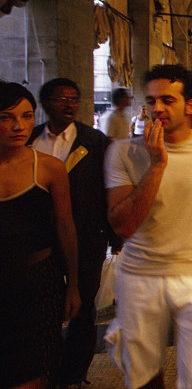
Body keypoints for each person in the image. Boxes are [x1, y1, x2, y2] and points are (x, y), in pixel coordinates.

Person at [104, 64, 192, 389]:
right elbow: (123, 225)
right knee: (141, 376)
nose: (158, 109)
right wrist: (156, 165)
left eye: (167, 100)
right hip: (140, 276)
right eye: (151, 101)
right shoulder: (123, 152)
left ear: (190, 105)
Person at [29, 77, 118, 389]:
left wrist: (114, 236)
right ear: (44, 104)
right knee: (47, 305)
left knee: (82, 306)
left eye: (73, 99)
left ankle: (75, 372)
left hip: (87, 237)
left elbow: (108, 190)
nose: (68, 105)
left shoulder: (94, 141)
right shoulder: (30, 140)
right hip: (41, 241)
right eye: (59, 99)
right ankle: (47, 367)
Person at [0, 82, 80, 388]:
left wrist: (72, 285)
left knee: (35, 371)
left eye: (27, 116)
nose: (19, 126)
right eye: (6, 117)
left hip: (37, 283)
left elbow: (65, 226)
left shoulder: (48, 168)